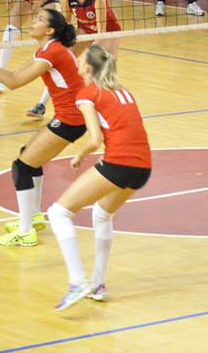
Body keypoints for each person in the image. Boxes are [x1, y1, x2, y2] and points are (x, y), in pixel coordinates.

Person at [0, 8, 85, 247]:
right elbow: (13, 74)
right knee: (28, 158)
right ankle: (34, 217)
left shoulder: (53, 52)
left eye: (40, 19)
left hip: (72, 119)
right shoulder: (46, 49)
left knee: (22, 167)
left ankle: (26, 231)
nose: (33, 21)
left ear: (49, 30)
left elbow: (14, 82)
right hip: (70, 116)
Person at [47, 44, 152, 311]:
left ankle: (77, 282)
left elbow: (94, 140)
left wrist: (80, 155)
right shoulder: (124, 91)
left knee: (58, 213)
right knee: (102, 215)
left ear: (88, 68)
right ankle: (97, 284)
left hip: (119, 163)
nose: (77, 62)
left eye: (80, 59)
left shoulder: (87, 94)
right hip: (143, 167)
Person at [27, 0, 121, 118]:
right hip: (85, 30)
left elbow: (101, 31)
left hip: (110, 32)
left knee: (101, 69)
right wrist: (60, 45)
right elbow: (65, 25)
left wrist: (89, 56)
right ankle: (41, 105)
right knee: (61, 63)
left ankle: (107, 107)